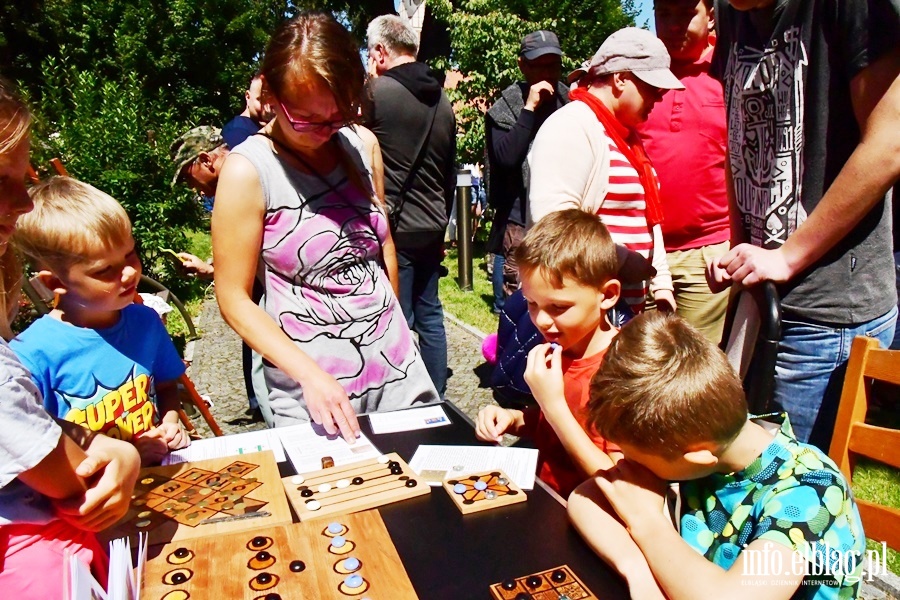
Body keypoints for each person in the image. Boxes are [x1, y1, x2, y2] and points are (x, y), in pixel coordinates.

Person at [212, 12, 439, 441]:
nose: (325, 131)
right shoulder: (248, 170)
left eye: (338, 115)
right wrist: (309, 376)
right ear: (271, 96)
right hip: (315, 391)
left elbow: (380, 244)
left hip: (398, 372)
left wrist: (399, 329)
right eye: (307, 119)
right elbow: (233, 298)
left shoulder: (360, 143)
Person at [567, 311, 867, 599]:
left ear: (696, 458)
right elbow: (588, 497)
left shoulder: (809, 495)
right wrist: (639, 575)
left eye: (636, 459)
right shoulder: (709, 430)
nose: (626, 466)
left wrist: (647, 522)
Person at [708, 0, 900, 449]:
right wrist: (741, 251)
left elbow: (889, 145)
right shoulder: (733, 11)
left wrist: (787, 256)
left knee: (798, 498)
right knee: (743, 477)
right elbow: (740, 137)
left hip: (826, 311)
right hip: (764, 298)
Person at [0, 76, 140, 596]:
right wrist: (120, 456)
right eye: (1, 181)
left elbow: (30, 425)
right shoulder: (35, 349)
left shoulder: (140, 321)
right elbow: (67, 479)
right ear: (54, 286)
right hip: (38, 561)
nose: (22, 202)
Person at [12, 177, 190, 466]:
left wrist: (170, 422)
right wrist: (128, 455)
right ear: (56, 282)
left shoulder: (145, 321)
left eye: (130, 254)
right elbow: (35, 448)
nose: (129, 273)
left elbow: (168, 384)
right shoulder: (30, 355)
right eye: (105, 269)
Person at [529, 27, 682, 315]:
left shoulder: (627, 139)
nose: (659, 98)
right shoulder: (571, 127)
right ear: (621, 78)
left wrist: (661, 284)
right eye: (653, 88)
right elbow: (555, 224)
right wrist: (622, 261)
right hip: (581, 314)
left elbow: (648, 218)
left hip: (619, 310)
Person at [475, 209, 622, 498]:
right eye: (531, 303)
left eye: (558, 307)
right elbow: (549, 425)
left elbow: (618, 485)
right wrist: (513, 419)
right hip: (546, 500)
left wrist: (552, 405)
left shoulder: (624, 371)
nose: (540, 320)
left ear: (606, 295)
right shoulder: (562, 347)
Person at [363, 14, 457, 397]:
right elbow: (450, 171)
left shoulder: (376, 94)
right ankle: (436, 391)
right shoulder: (443, 99)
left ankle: (402, 394)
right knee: (431, 312)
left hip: (393, 227)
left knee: (395, 314)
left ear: (381, 52)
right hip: (432, 222)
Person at [636, 0, 730, 344]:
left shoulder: (730, 66)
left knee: (697, 371)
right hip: (641, 251)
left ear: (711, 16)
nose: (674, 26)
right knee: (641, 366)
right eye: (664, 14)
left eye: (686, 14)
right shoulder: (639, 73)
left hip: (707, 253)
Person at [485, 30, 569, 314]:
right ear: (523, 65)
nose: (548, 73)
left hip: (563, 216)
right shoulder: (506, 107)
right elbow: (506, 158)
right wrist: (529, 109)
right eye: (539, 65)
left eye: (553, 65)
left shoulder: (570, 102)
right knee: (520, 303)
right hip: (520, 219)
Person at [221, 71, 272, 149]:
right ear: (248, 97)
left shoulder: (256, 128)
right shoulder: (237, 133)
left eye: (272, 102)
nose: (267, 109)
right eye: (261, 101)